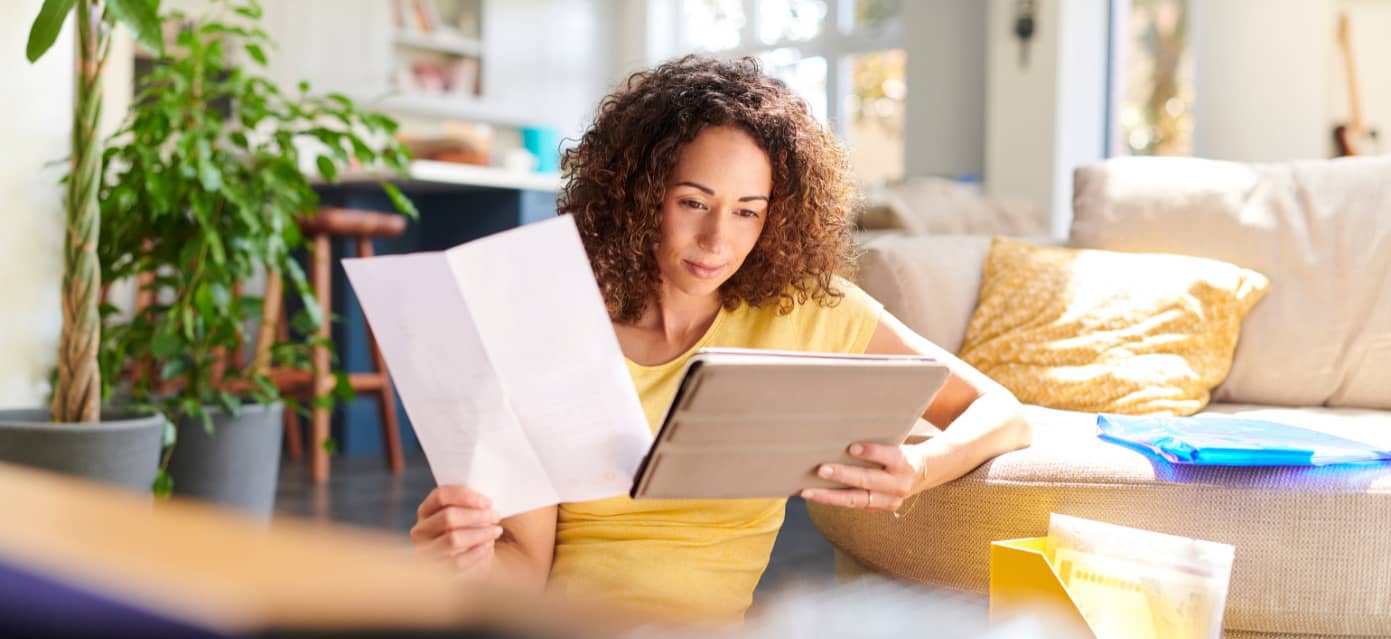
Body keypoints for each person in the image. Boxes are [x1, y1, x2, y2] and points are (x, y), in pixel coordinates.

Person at [410, 55, 1031, 625]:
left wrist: (920, 468)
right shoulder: (555, 323)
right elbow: (525, 569)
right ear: (639, 194)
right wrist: (468, 558)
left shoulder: (807, 309)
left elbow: (1001, 412)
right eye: (693, 202)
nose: (717, 241)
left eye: (747, 211)